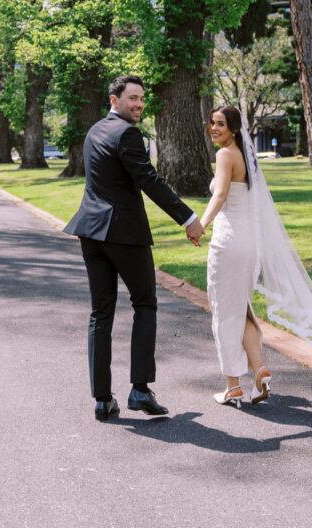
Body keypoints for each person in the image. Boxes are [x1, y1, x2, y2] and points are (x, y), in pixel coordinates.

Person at [64, 75, 205, 421]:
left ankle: (102, 399)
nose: (139, 104)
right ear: (114, 100)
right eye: (132, 98)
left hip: (90, 232)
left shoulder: (95, 130)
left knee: (101, 313)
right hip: (123, 234)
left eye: (142, 98)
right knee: (145, 304)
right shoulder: (127, 134)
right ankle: (140, 390)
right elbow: (149, 180)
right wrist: (188, 218)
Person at [200, 104, 312, 408]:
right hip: (249, 244)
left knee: (225, 313)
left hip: (229, 244)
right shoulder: (247, 158)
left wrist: (200, 225)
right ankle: (259, 369)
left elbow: (220, 195)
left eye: (221, 124)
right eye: (212, 123)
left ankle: (232, 386)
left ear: (235, 129)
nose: (214, 128)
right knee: (243, 309)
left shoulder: (225, 155)